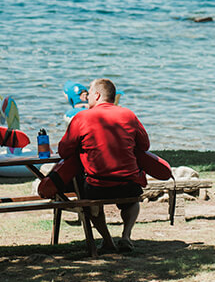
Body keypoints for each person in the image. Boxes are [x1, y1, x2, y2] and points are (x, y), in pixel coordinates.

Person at [57, 78, 150, 252]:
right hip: (128, 184)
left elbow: (64, 151)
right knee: (132, 201)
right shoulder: (129, 115)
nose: (87, 97)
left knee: (89, 197)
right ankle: (126, 236)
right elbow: (144, 146)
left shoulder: (81, 118)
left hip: (97, 185)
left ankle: (107, 241)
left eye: (90, 93)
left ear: (97, 95)